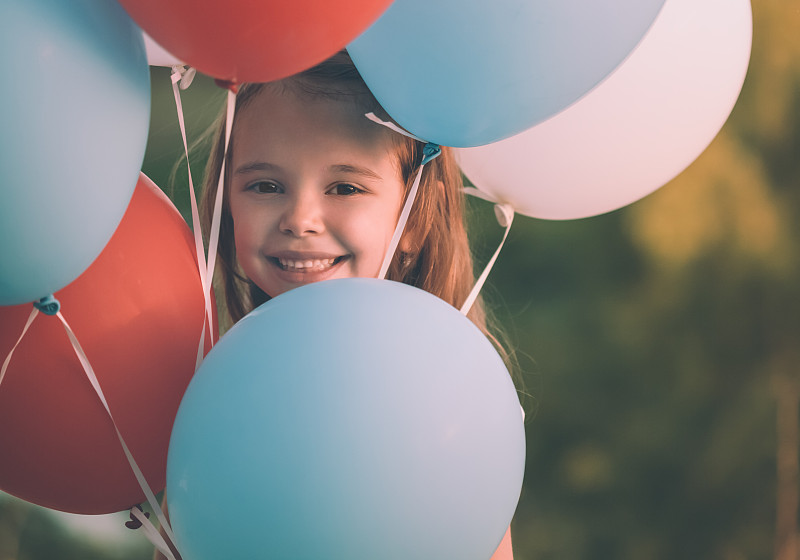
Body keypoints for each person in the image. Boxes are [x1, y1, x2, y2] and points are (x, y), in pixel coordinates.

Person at [155, 49, 517, 560]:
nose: (300, 218)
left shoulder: (450, 407)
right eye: (265, 186)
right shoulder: (214, 397)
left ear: (412, 217)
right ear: (225, 203)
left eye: (345, 187)